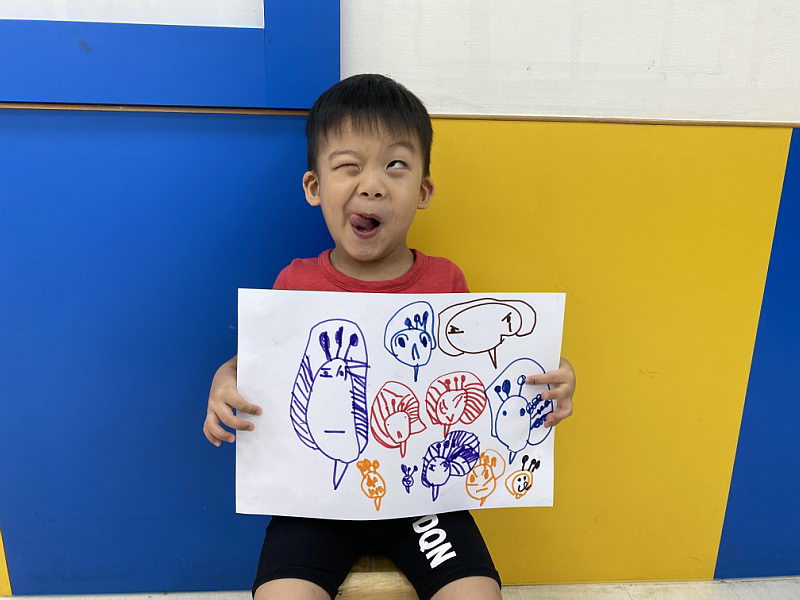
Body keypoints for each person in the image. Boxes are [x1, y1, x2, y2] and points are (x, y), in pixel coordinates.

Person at [203, 74, 576, 600]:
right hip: (314, 505)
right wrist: (225, 381)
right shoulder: (295, 283)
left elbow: (486, 374)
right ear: (314, 187)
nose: (373, 184)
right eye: (348, 165)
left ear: (423, 191)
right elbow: (256, 368)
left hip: (426, 500)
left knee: (477, 594)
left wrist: (553, 377)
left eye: (395, 165)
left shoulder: (447, 282)